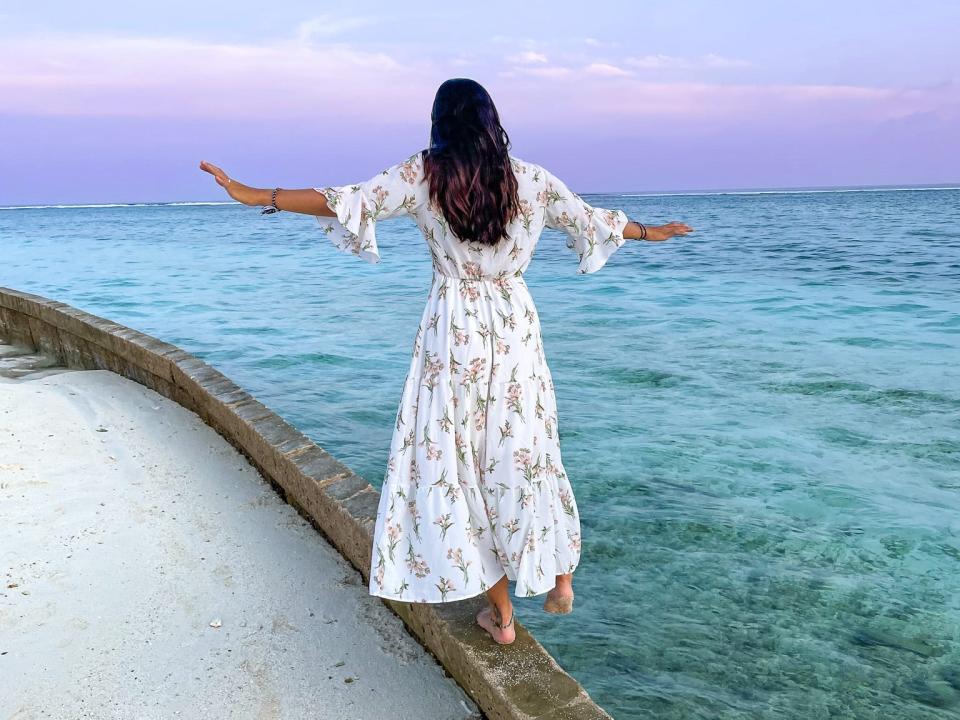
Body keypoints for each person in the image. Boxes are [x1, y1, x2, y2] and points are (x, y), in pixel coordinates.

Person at [200, 77, 693, 645]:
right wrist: (651, 232)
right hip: (513, 327)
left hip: (452, 329)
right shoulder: (530, 180)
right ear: (491, 121)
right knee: (527, 446)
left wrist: (253, 193)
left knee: (459, 462)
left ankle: (502, 618)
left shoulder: (424, 176)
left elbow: (345, 200)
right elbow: (593, 221)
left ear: (440, 123)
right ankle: (560, 578)